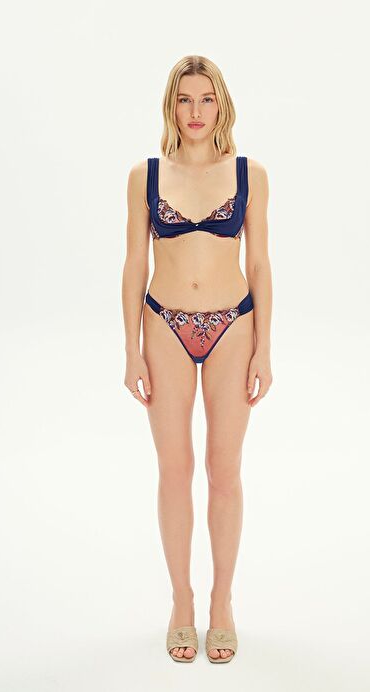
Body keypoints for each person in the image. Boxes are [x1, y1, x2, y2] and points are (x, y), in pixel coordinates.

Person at [121, 55, 273, 663]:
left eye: (206, 99)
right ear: (171, 105)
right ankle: (182, 600)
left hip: (233, 325)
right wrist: (130, 347)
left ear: (221, 105)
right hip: (164, 325)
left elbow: (259, 263)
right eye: (184, 99)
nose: (195, 111)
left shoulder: (250, 174)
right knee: (175, 468)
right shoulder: (145, 176)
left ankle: (222, 602)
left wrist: (265, 345)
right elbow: (135, 264)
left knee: (224, 470)